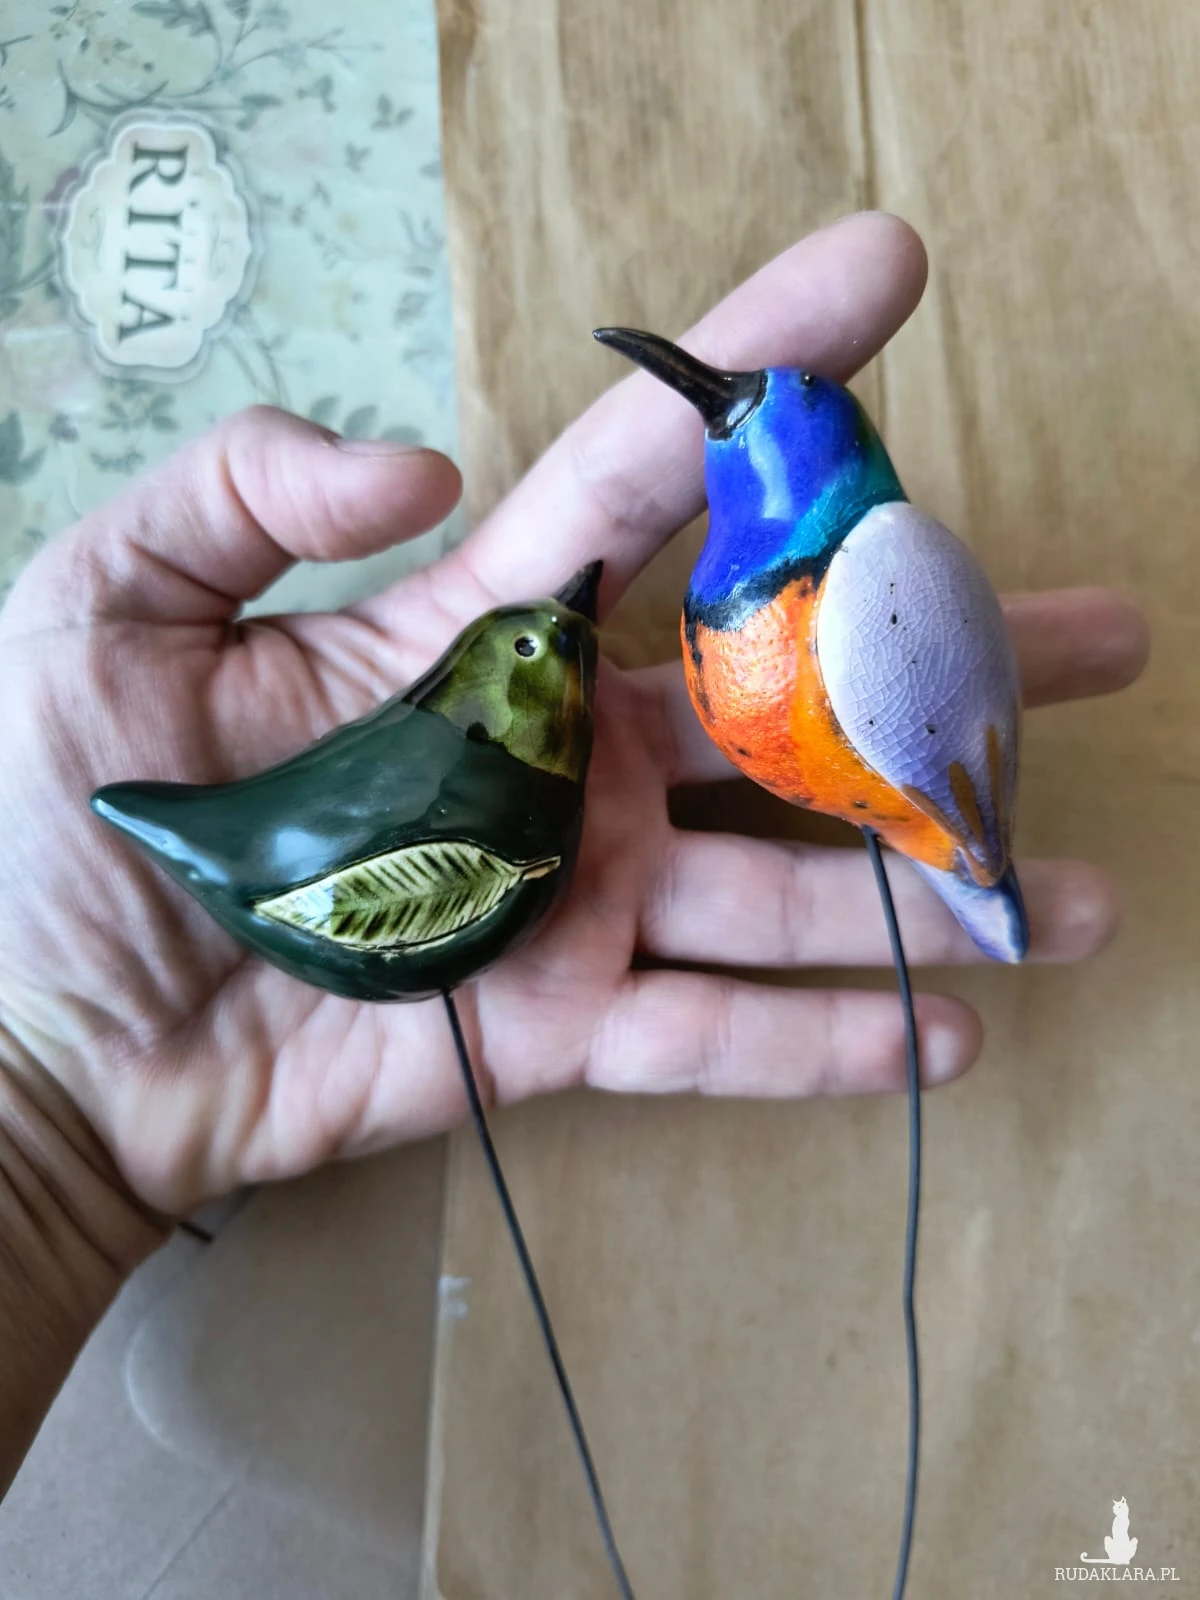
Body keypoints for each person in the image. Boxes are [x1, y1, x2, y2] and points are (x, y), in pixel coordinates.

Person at [0, 213, 1147, 1497]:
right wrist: (42, 1106)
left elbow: (922, 733)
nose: (726, 424)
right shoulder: (714, 606)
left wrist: (965, 846)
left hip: (904, 797)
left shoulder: (881, 566)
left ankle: (976, 885)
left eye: (750, 419)